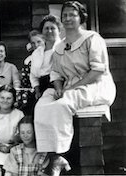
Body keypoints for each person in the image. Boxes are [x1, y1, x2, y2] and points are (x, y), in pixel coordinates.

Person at [34, 0, 116, 159]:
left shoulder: (92, 38)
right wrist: (58, 87)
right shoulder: (59, 47)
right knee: (42, 104)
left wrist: (69, 89)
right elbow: (56, 74)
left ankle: (61, 153)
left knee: (63, 103)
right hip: (69, 86)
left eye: (72, 14)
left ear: (81, 18)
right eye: (64, 15)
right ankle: (49, 153)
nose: (67, 18)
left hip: (95, 85)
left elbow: (98, 71)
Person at [3, 116, 71, 176]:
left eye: (29, 132)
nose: (25, 135)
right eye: (22, 132)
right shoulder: (15, 151)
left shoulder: (44, 152)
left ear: (35, 132)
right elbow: (12, 173)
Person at [0, 85, 24, 176]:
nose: (5, 101)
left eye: (9, 98)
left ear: (13, 100)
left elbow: (20, 135)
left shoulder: (19, 114)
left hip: (14, 148)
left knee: (10, 167)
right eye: (2, 98)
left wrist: (11, 146)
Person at [29, 15, 62, 100]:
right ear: (42, 32)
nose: (49, 31)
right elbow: (33, 75)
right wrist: (37, 91)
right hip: (41, 88)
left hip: (59, 86)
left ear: (59, 31)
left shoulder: (64, 48)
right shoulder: (37, 52)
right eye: (46, 28)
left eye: (53, 28)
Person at [18, 30, 45, 114]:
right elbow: (25, 81)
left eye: (39, 42)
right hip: (32, 90)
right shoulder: (28, 60)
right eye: (33, 43)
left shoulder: (49, 55)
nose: (36, 45)